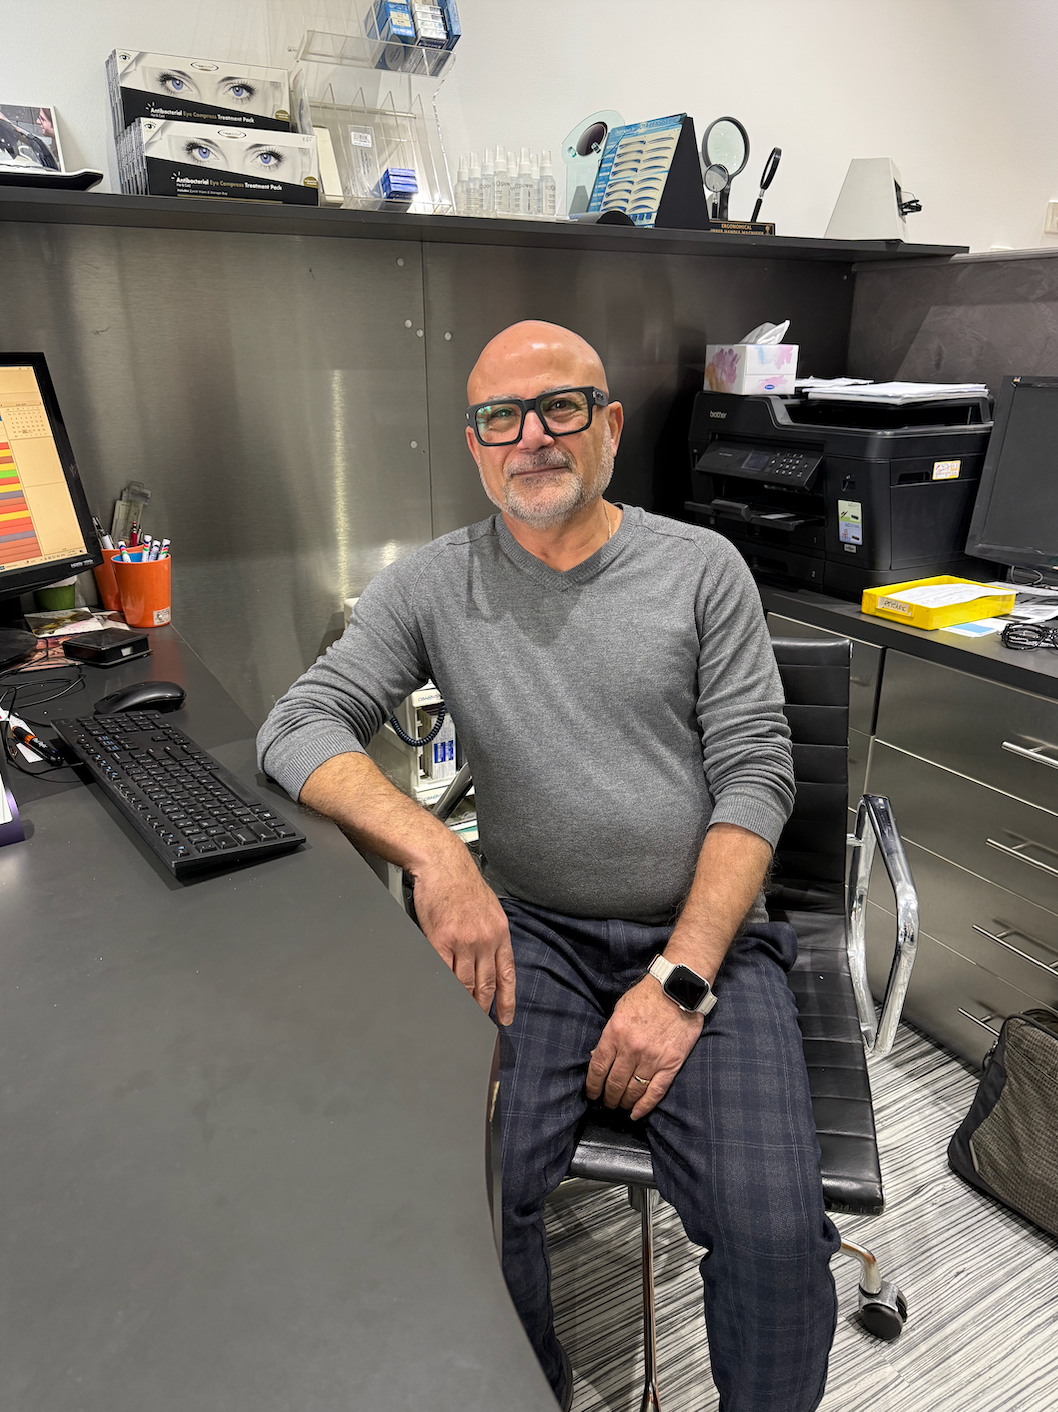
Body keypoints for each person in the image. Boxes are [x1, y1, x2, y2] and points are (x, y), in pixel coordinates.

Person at [257, 320, 840, 1411]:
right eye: (500, 417)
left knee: (771, 1233)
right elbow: (297, 723)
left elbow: (757, 782)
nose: (531, 436)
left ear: (608, 426)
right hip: (535, 931)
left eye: (561, 406)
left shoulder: (699, 570)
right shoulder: (430, 585)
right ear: (473, 444)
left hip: (702, 935)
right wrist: (439, 853)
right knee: (468, 1190)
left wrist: (679, 979)